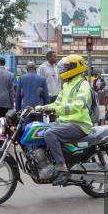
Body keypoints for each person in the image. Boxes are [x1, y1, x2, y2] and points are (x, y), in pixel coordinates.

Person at [36, 54, 93, 186]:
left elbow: (78, 105)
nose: (62, 71)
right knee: (41, 129)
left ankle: (62, 168)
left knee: (50, 134)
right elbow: (57, 104)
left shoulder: (83, 85)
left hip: (79, 125)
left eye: (66, 68)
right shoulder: (67, 85)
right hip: (65, 123)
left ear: (75, 68)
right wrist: (42, 108)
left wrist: (56, 110)